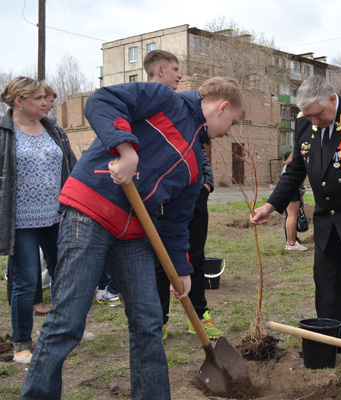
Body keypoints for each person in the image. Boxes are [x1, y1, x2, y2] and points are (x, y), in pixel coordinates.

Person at [19, 77, 245, 399]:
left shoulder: (195, 163)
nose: (229, 131)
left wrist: (182, 269)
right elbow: (101, 101)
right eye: (232, 122)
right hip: (91, 211)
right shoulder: (165, 99)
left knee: (148, 321)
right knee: (68, 320)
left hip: (134, 232)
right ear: (222, 107)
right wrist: (126, 150)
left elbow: (177, 223)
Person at [251, 75, 341, 362]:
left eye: (318, 114)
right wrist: (271, 206)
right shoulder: (304, 121)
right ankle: (330, 343)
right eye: (308, 116)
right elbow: (295, 171)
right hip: (327, 218)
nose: (314, 121)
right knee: (326, 284)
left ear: (332, 99)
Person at [143, 49, 224, 340]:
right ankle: (160, 319)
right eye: (175, 69)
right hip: (163, 197)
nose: (180, 74)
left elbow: (198, 150)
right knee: (160, 259)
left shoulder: (188, 107)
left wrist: (206, 183)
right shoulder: (147, 105)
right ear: (159, 70)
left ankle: (199, 315)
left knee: (196, 257)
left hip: (193, 194)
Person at [0, 77, 77, 364]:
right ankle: (22, 344)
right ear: (20, 101)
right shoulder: (4, 132)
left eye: (46, 97)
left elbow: (71, 165)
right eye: (39, 98)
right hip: (19, 223)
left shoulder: (53, 129)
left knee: (65, 276)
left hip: (57, 217)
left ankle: (64, 331)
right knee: (26, 281)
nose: (46, 102)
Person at [279, 150, 308, 251]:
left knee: (289, 217)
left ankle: (290, 242)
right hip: (293, 193)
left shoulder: (284, 168)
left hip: (288, 193)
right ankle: (292, 243)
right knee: (292, 217)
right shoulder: (292, 167)